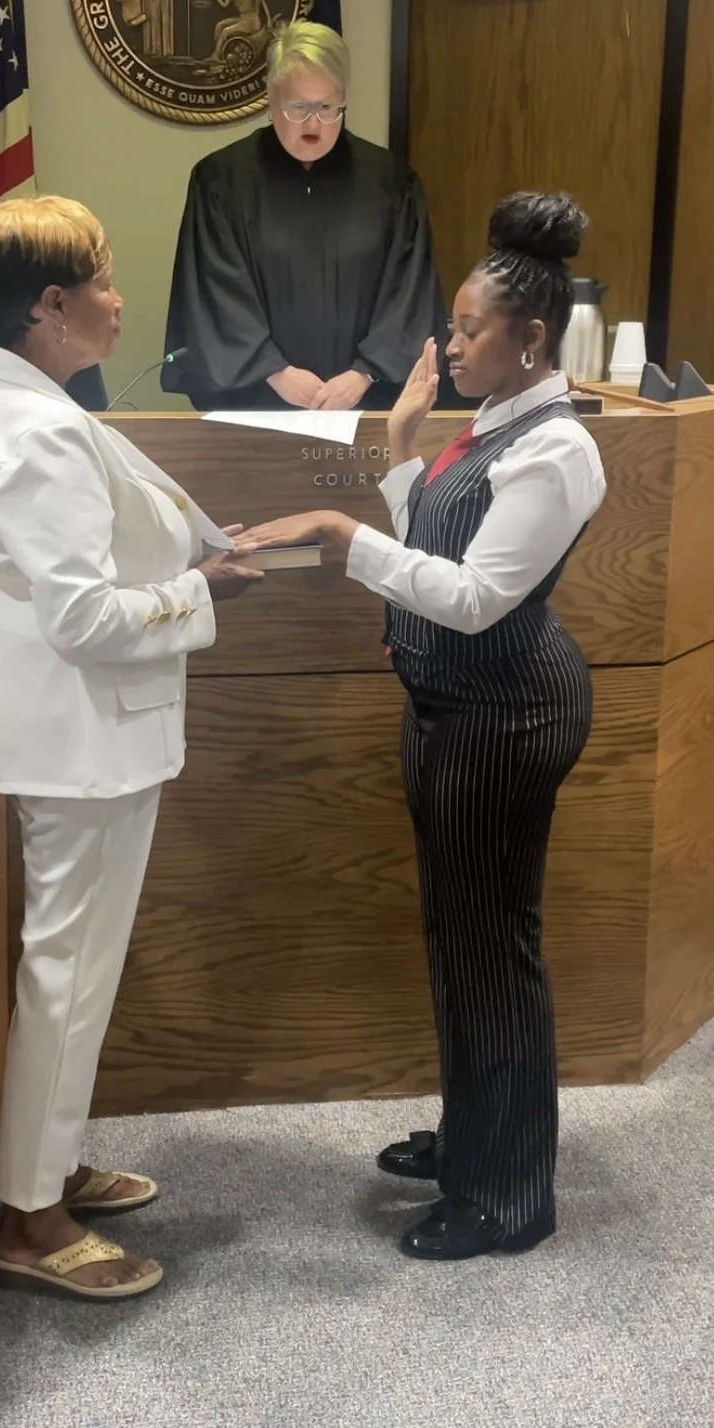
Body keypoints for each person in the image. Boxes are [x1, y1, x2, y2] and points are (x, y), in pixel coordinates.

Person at [243, 193, 606, 1261]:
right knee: (459, 939)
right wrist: (403, 456)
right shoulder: (492, 425)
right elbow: (445, 548)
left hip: (507, 715)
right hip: (450, 707)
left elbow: (476, 598)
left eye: (467, 329)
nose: (448, 345)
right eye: (452, 326)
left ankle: (511, 1194)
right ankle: (470, 1139)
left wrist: (333, 528)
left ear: (529, 338)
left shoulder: (558, 450)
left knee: (496, 950)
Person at [0, 194, 260, 1302]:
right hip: (80, 743)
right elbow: (82, 618)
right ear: (51, 306)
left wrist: (194, 544)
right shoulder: (33, 432)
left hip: (78, 736)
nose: (121, 301)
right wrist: (198, 587)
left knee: (72, 973)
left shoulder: (21, 396)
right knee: (67, 977)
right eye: (106, 282)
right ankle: (31, 1222)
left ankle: (49, 1161)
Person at [162, 21, 452, 412]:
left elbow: (409, 293)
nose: (314, 124)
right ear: (271, 97)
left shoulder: (391, 184)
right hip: (257, 405)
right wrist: (274, 371)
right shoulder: (221, 182)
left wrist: (363, 374)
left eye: (327, 107)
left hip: (363, 405)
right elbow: (214, 294)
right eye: (298, 107)